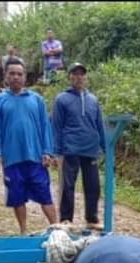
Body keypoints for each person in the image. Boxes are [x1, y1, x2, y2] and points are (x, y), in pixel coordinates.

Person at [0, 59, 58, 234]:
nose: (16, 77)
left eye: (19, 74)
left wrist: (47, 151)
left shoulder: (36, 100)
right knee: (17, 196)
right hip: (12, 158)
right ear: (5, 76)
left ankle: (57, 228)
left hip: (35, 158)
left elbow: (45, 127)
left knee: (44, 193)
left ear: (25, 77)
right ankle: (23, 231)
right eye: (12, 73)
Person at [52, 62, 106, 229]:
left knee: (93, 186)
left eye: (82, 74)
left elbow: (100, 125)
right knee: (67, 186)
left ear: (86, 77)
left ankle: (92, 218)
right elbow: (56, 126)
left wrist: (106, 146)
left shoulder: (93, 100)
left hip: (90, 149)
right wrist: (55, 151)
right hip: (70, 149)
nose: (79, 77)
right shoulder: (62, 99)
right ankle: (66, 220)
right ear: (69, 77)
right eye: (75, 74)